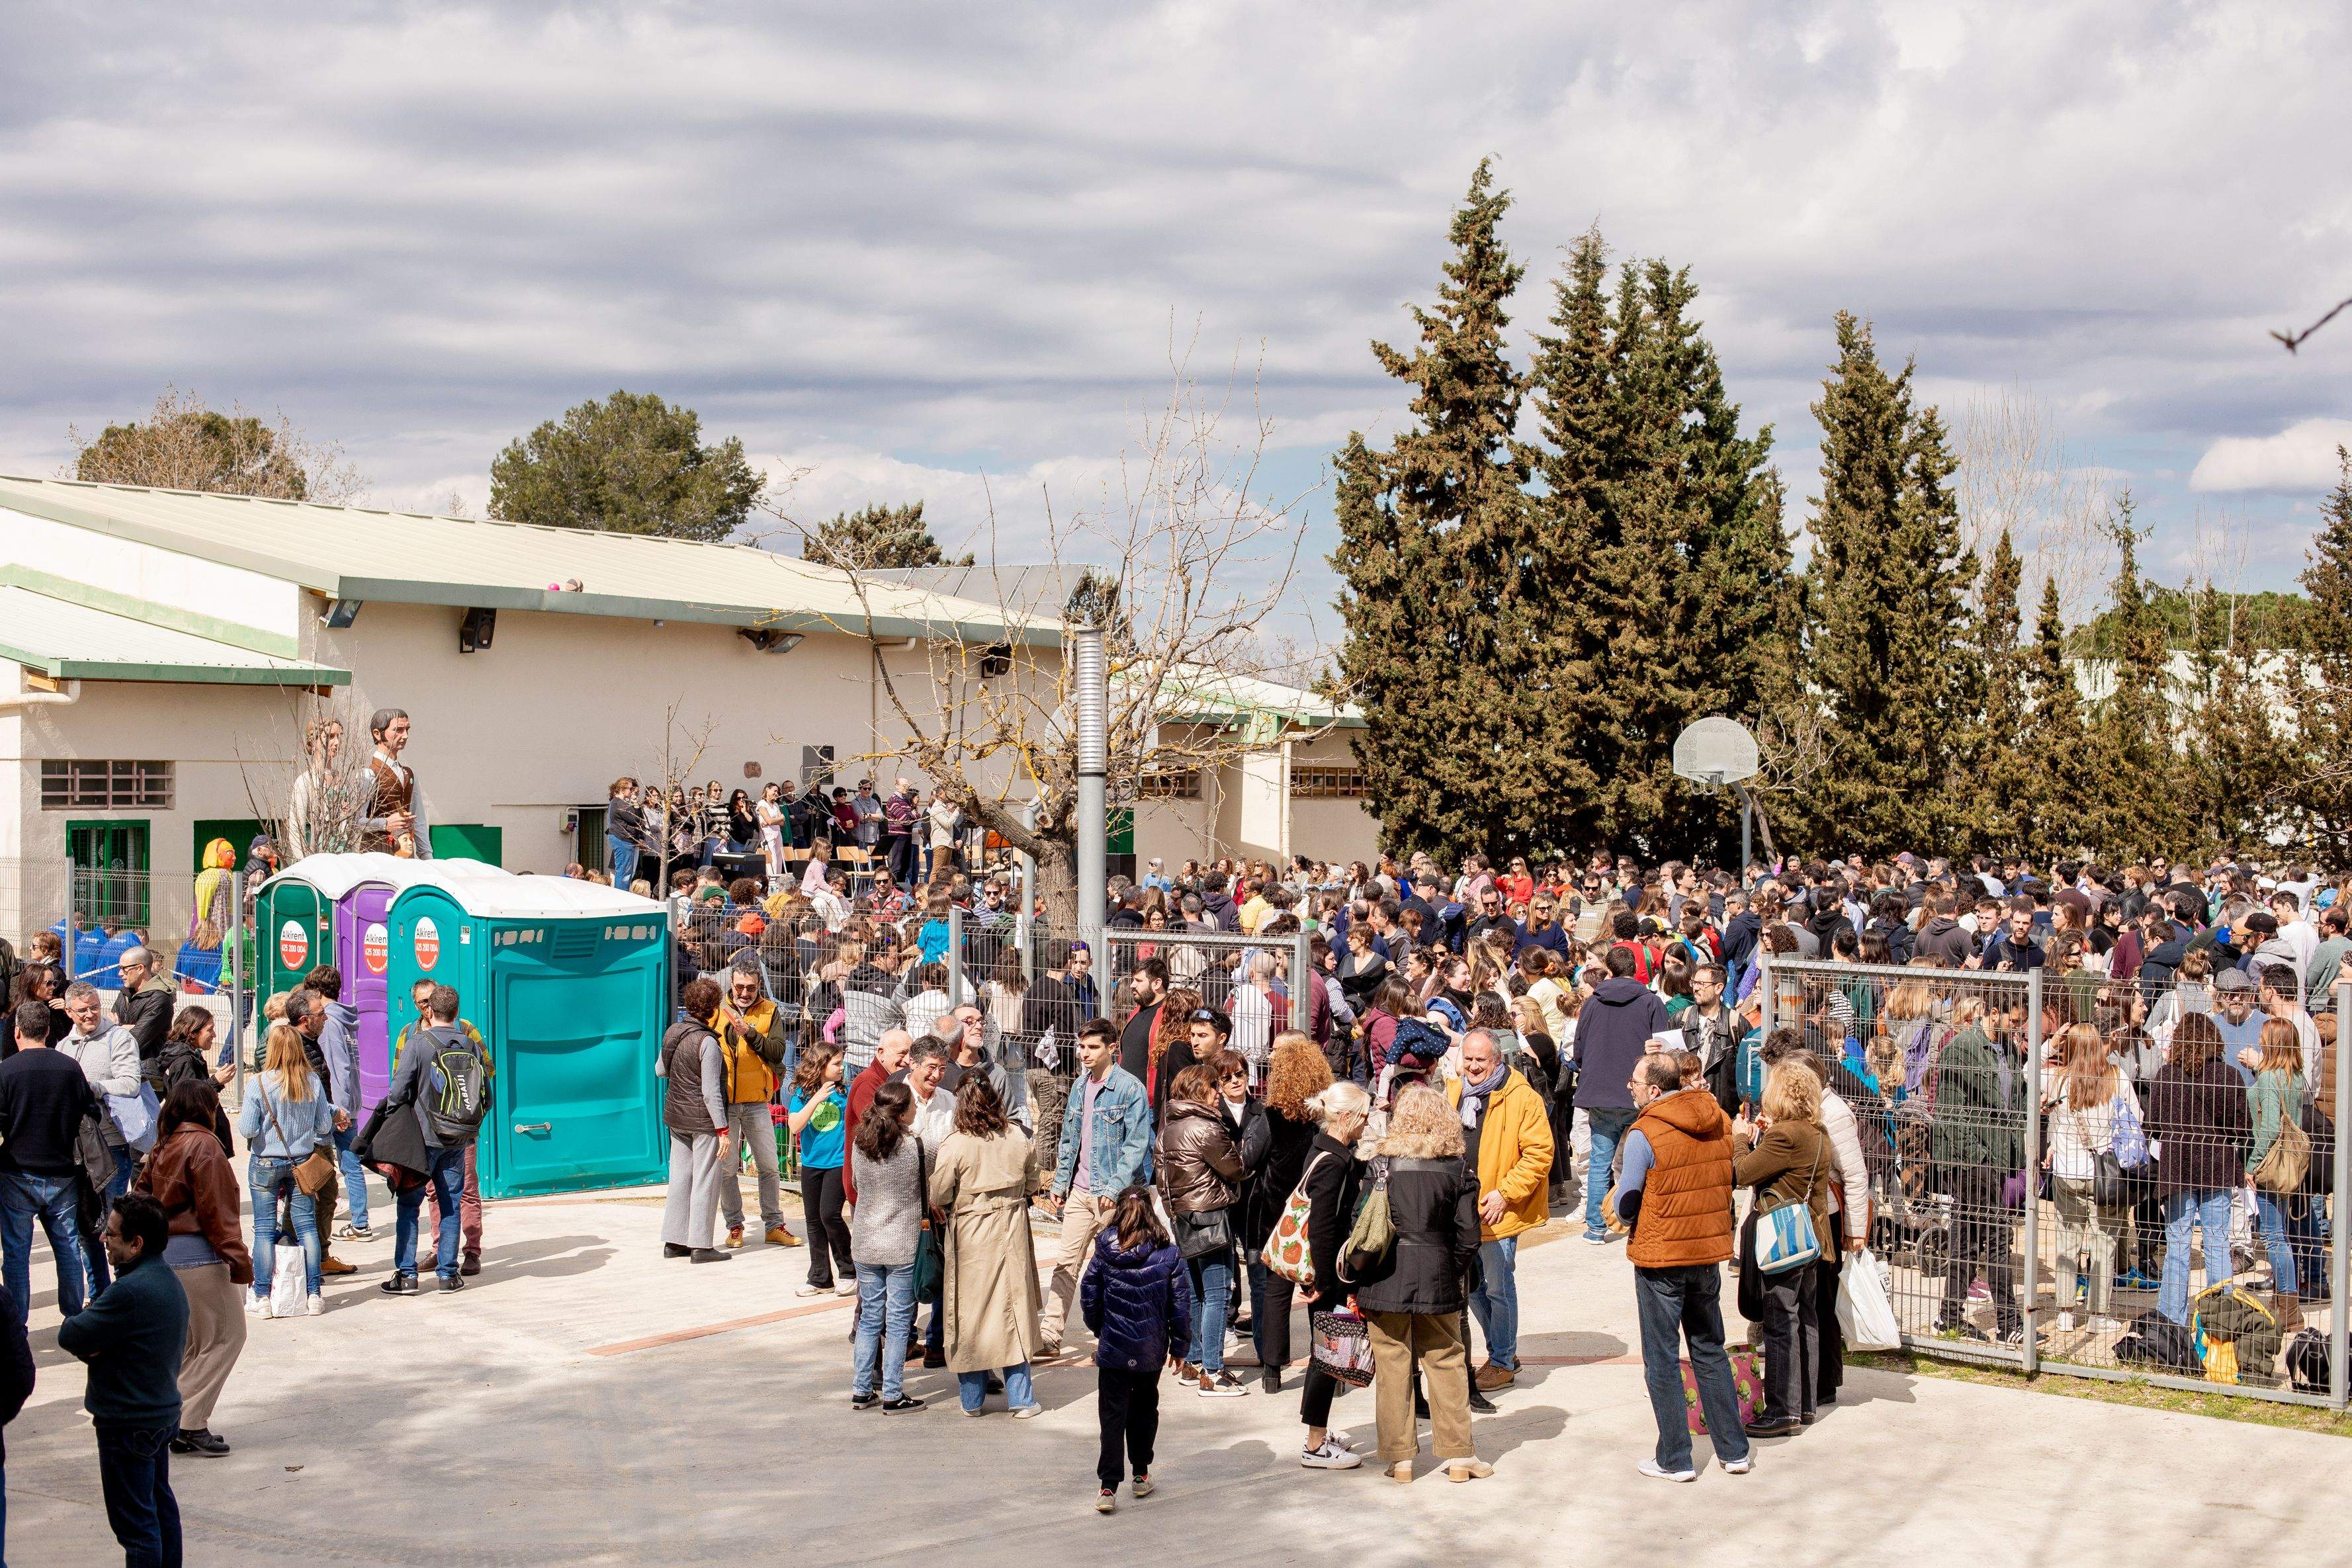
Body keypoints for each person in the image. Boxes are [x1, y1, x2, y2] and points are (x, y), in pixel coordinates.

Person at [1611, 1052, 1752, 1482]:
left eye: (1634, 1081)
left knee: (1661, 1358)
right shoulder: (1718, 1120)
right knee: (1709, 1349)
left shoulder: (1644, 1132)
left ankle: (1674, 1457)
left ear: (1655, 1089)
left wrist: (1617, 1199)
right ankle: (1734, 1451)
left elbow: (1626, 1203)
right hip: (1706, 1256)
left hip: (1662, 1259)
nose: (1629, 1088)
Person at [1354, 1083, 1489, 1484]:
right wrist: (1453, 1270)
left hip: (1384, 1276)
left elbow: (1360, 1226)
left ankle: (1400, 1460)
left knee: (1393, 1365)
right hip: (1438, 1276)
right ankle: (1460, 1456)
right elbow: (1469, 1235)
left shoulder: (1380, 1165)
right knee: (1446, 1361)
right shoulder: (1458, 1168)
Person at [59, 1194, 187, 1568]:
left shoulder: (128, 1292)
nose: (103, 1238)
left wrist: (95, 1344)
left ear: (137, 1243)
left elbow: (71, 1334)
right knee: (159, 1509)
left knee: (137, 1527)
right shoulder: (164, 1277)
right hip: (158, 1415)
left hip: (129, 1423)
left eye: (112, 1234)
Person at [136, 1080, 253, 1458]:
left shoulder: (164, 1145)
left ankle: (180, 1422)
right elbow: (218, 1213)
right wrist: (239, 1261)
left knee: (195, 1345)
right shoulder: (204, 1145)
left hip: (168, 1257)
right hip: (200, 1258)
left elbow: (140, 1199)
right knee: (225, 1338)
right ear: (205, 1108)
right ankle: (184, 1420)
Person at [928, 1074, 1046, 1416]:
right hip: (1011, 1225)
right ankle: (1022, 1399)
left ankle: (972, 1400)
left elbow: (940, 1193)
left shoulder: (956, 1143)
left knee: (971, 1312)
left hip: (972, 1230)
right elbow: (1033, 1181)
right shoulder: (1017, 1136)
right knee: (1015, 1306)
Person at [1447, 1026, 1553, 1392]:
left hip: (1498, 1210)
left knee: (1499, 1287)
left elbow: (1539, 1155)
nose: (1473, 1067)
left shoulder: (1522, 1098)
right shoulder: (1456, 1092)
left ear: (1496, 1060)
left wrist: (1504, 1194)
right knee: (1472, 1287)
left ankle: (1503, 1361)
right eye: (1469, 1059)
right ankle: (1503, 1351)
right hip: (1463, 1210)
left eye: (1481, 1060)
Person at [1733, 1062, 1833, 1437]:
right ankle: (1804, 1406)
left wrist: (1740, 1137)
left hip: (1783, 1240)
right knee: (1806, 1318)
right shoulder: (1816, 1132)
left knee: (1780, 1321)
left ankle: (1782, 1410)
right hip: (1811, 1238)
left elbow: (1742, 1173)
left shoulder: (1786, 1136)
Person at [1042, 1019, 1153, 1356]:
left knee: (1117, 1271)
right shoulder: (1079, 1086)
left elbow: (1136, 1145)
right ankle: (1050, 1335)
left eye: (1092, 1048)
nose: (1084, 1054)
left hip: (1115, 1197)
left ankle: (1116, 1337)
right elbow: (1070, 1138)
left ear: (1112, 1049)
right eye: (1081, 1047)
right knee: (1065, 1265)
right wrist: (1061, 1182)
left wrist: (1114, 1188)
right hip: (1080, 1191)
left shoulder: (1130, 1089)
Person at [1080, 1185, 1190, 1513]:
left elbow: (1089, 1295)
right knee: (1144, 1412)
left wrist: (1100, 1328)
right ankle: (1141, 1474)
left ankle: (1107, 1487)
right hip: (1150, 1349)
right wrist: (1180, 1345)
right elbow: (1181, 1306)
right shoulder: (1168, 1253)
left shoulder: (1103, 1249)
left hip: (1114, 1348)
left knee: (1111, 1416)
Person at [380, 985, 488, 1293]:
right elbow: (486, 1095)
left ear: (429, 1010)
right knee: (452, 1203)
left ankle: (406, 1275)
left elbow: (398, 1093)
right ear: (456, 1012)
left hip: (422, 1139)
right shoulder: (471, 1045)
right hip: (458, 1140)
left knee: (409, 1204)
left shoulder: (417, 1044)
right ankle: (448, 1275)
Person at [0, 999, 99, 1324]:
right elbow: (91, 1112)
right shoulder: (70, 1068)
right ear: (47, 1031)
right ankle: (73, 1316)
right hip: (63, 1173)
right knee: (69, 1248)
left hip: (16, 1174)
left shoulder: (6, 1072)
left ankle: (18, 1323)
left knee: (16, 1254)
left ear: (17, 1032)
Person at [2150, 1011, 2251, 1325]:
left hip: (2177, 1166)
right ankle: (2221, 1322)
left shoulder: (2166, 1076)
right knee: (2218, 1242)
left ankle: (2171, 1323)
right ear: (2214, 1040)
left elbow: (2152, 1126)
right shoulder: (2229, 1076)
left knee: (2178, 1245)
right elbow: (2242, 1127)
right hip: (2217, 1165)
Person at [1245, 1033, 1331, 1394]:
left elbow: (1251, 1160)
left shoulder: (1271, 1117)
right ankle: (1325, 1363)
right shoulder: (1327, 1118)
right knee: (1321, 1292)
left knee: (1276, 1294)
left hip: (1278, 1216)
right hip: (1321, 1213)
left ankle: (1273, 1371)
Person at [1156, 1062, 1248, 1397]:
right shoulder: (1205, 1127)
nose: (1219, 1092)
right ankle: (1214, 1370)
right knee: (1217, 1294)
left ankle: (1194, 1364)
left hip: (1182, 1216)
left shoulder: (1169, 1127)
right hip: (1209, 1215)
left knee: (1196, 1293)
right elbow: (1235, 1168)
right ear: (1200, 1090)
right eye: (1214, 1086)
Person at [1292, 1080, 1368, 1471]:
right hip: (1329, 1276)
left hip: (1324, 1275)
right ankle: (1315, 1444)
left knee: (1325, 1353)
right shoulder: (1334, 1162)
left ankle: (1318, 1434)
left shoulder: (1326, 1150)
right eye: (1363, 1115)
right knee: (1327, 1354)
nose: (1367, 1121)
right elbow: (1322, 1227)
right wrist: (1323, 1282)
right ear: (1345, 1117)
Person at [2042, 1020, 2136, 1332]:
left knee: (2067, 1243)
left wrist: (2051, 1044)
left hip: (2067, 1171)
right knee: (2103, 1244)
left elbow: (2029, 1070)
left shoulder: (2057, 1079)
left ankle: (2066, 1312)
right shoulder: (2117, 1077)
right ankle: (2098, 1315)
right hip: (2104, 1174)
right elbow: (2136, 1118)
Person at [1575, 947, 1672, 1244]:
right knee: (1639, 1163)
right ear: (1637, 970)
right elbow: (1664, 1048)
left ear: (1610, 971)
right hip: (1639, 1093)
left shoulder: (1593, 1003)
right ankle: (1637, 1221)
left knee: (1600, 1162)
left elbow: (1578, 1048)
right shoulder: (1651, 1002)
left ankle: (1595, 1227)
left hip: (1601, 1094)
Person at [237, 1023, 334, 1316]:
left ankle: (263, 1296)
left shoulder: (259, 1082)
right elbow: (324, 1126)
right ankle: (314, 1295)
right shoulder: (312, 1082)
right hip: (302, 1162)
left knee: (264, 1230)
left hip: (266, 1161)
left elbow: (246, 1128)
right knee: (307, 1228)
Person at [848, 1080, 926, 1413]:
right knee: (897, 1322)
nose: (917, 1109)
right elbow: (931, 1183)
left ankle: (861, 1389)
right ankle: (893, 1393)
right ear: (902, 1111)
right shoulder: (916, 1147)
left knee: (869, 1318)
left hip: (865, 1242)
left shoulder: (859, 1144)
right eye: (913, 1105)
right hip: (902, 1245)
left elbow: (854, 1184)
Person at [60, 980, 144, 1290]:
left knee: (115, 1225)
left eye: (94, 1007)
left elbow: (130, 1084)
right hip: (79, 1151)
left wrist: (94, 1088)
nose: (90, 1014)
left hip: (112, 1147)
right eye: (82, 1010)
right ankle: (99, 1294)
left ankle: (124, 1291)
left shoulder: (118, 1039)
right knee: (87, 1227)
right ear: (69, 1012)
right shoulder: (64, 1046)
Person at [715, 966, 798, 1250]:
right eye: (739, 987)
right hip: (725, 1103)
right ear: (731, 984)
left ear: (758, 985)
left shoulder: (770, 1011)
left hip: (756, 1101)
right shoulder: (718, 1009)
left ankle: (774, 1225)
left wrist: (749, 1033)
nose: (744, 993)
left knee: (769, 1166)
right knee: (726, 1170)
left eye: (750, 987)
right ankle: (735, 1225)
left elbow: (777, 1051)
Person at [655, 977, 732, 1267]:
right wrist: (723, 1130)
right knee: (705, 1180)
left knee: (680, 1178)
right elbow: (711, 1091)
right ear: (713, 1009)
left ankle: (674, 1241)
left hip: (676, 1117)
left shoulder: (674, 1031)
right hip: (703, 1121)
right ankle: (701, 1244)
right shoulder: (708, 1042)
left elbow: (660, 1070)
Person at [2245, 1017, 2308, 1318]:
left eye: (2264, 1036)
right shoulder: (2295, 1076)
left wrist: (2252, 1165)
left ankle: (2288, 1307)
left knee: (2272, 1234)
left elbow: (2270, 1128)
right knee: (2280, 1231)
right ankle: (2285, 1301)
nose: (2259, 1039)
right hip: (2288, 1164)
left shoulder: (2271, 1078)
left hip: (2271, 1164)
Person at [787, 1043, 855, 1296]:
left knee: (830, 1215)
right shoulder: (803, 1095)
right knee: (813, 1221)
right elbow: (795, 1126)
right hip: (812, 1164)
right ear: (821, 1066)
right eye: (837, 1063)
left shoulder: (845, 1092)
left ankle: (849, 1271)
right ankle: (820, 1277)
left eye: (842, 1062)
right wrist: (816, 1099)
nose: (842, 1067)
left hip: (838, 1164)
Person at [359, 707, 429, 857]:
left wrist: (427, 857)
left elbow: (420, 822)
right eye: (398, 730)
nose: (405, 736)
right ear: (377, 734)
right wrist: (385, 824)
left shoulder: (410, 774)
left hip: (406, 856)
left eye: (407, 730)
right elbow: (354, 823)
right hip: (376, 855)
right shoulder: (368, 774)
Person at [113, 946, 177, 1092]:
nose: (120, 974)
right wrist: (123, 1028)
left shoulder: (160, 999)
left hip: (148, 1076)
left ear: (140, 968)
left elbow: (136, 1039)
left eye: (124, 969)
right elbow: (108, 1027)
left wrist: (118, 1026)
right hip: (122, 1069)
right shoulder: (125, 993)